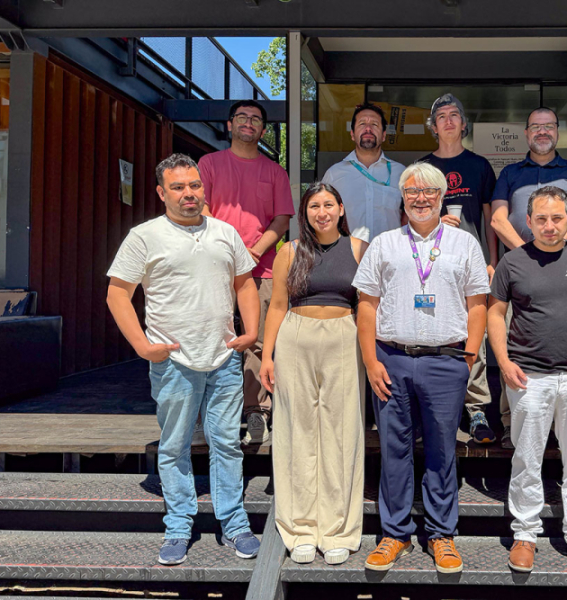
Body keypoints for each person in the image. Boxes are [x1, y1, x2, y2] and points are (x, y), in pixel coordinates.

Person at [106, 153, 261, 566]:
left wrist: (251, 331)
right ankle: (178, 525)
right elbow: (118, 293)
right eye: (178, 187)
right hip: (173, 361)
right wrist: (142, 347)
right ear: (162, 193)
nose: (188, 193)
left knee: (227, 444)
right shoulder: (144, 236)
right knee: (174, 446)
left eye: (194, 185)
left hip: (223, 358)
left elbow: (244, 283)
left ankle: (234, 523)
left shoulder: (225, 232)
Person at [353, 162, 490, 574]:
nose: (421, 198)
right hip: (391, 360)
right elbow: (366, 306)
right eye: (412, 191)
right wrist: (371, 361)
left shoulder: (465, 244)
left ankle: (441, 534)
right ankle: (395, 534)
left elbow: (478, 305)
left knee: (442, 451)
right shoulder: (384, 244)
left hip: (446, 362)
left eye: (429, 191)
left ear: (442, 195)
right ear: (403, 198)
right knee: (394, 450)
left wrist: (468, 358)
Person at [488, 186, 567, 574]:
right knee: (527, 460)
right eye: (541, 219)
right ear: (528, 221)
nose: (549, 225)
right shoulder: (513, 262)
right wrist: (504, 362)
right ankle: (525, 533)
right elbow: (495, 314)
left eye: (557, 218)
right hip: (529, 377)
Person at [258, 183, 367, 566]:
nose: (322, 212)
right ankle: (300, 528)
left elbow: (368, 306)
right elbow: (276, 305)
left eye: (328, 204)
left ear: (341, 208)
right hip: (296, 338)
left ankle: (338, 529)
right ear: (305, 213)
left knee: (343, 431)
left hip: (344, 337)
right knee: (296, 431)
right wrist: (267, 355)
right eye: (314, 206)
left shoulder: (359, 249)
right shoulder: (289, 251)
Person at [490, 106, 567, 448]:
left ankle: (560, 426)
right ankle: (512, 421)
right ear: (526, 133)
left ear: (557, 131)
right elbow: (498, 219)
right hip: (520, 273)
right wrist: (529, 252)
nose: (542, 132)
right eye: (536, 127)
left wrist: (551, 245)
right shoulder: (509, 173)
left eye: (548, 126)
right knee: (514, 343)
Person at [199, 99, 294, 445]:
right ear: (229, 125)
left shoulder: (275, 172)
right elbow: (202, 210)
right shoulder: (209, 164)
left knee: (258, 341)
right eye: (242, 117)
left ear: (263, 130)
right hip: (217, 268)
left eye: (255, 119)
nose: (248, 123)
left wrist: (253, 252)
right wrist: (230, 251)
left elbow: (282, 219)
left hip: (262, 268)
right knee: (213, 338)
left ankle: (257, 412)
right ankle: (211, 413)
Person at [422, 93, 499, 444]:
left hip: (471, 264)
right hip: (431, 265)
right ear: (434, 127)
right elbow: (406, 216)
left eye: (454, 115)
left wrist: (491, 260)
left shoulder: (479, 165)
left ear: (464, 124)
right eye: (442, 116)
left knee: (474, 334)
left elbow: (490, 217)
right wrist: (435, 221)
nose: (449, 120)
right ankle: (436, 405)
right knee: (433, 332)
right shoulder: (422, 167)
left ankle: (477, 407)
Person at [322, 102, 407, 243]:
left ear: (384, 135)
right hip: (348, 254)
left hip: (390, 254)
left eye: (374, 124)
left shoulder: (401, 173)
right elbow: (322, 218)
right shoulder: (334, 175)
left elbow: (411, 217)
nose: (368, 128)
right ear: (352, 134)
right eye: (362, 124)